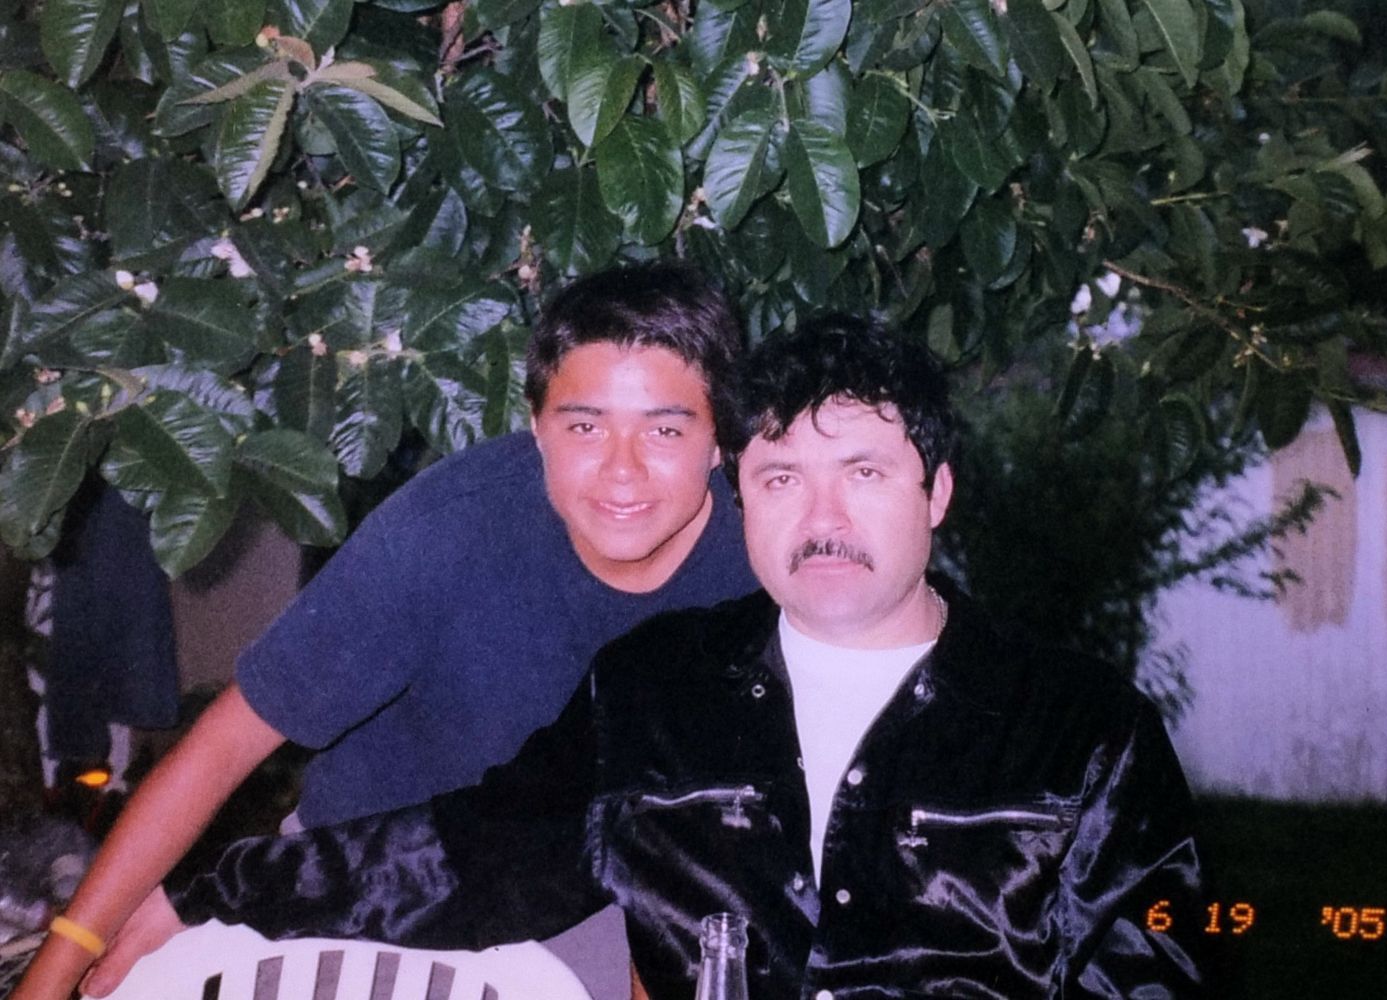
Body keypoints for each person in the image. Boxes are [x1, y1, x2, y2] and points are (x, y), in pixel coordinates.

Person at [91, 315, 1205, 997]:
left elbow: (1164, 951)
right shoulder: (656, 690)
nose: (821, 518)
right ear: (741, 498)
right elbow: (467, 854)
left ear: (936, 493)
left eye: (864, 473)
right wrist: (205, 898)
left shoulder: (1078, 726)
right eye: (781, 478)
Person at [12, 262, 758, 1000]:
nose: (622, 471)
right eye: (585, 426)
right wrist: (60, 964)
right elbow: (226, 744)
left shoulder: (764, 561)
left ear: (721, 438)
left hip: (582, 900)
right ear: (536, 428)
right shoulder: (447, 527)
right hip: (350, 876)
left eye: (665, 429)